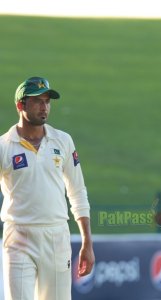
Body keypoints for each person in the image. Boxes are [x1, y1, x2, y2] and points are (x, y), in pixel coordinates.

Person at [0, 76, 95, 299]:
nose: (44, 107)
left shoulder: (63, 141)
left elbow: (77, 192)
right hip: (18, 236)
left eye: (47, 101)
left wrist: (87, 243)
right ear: (20, 105)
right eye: (37, 101)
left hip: (56, 236)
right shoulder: (4, 146)